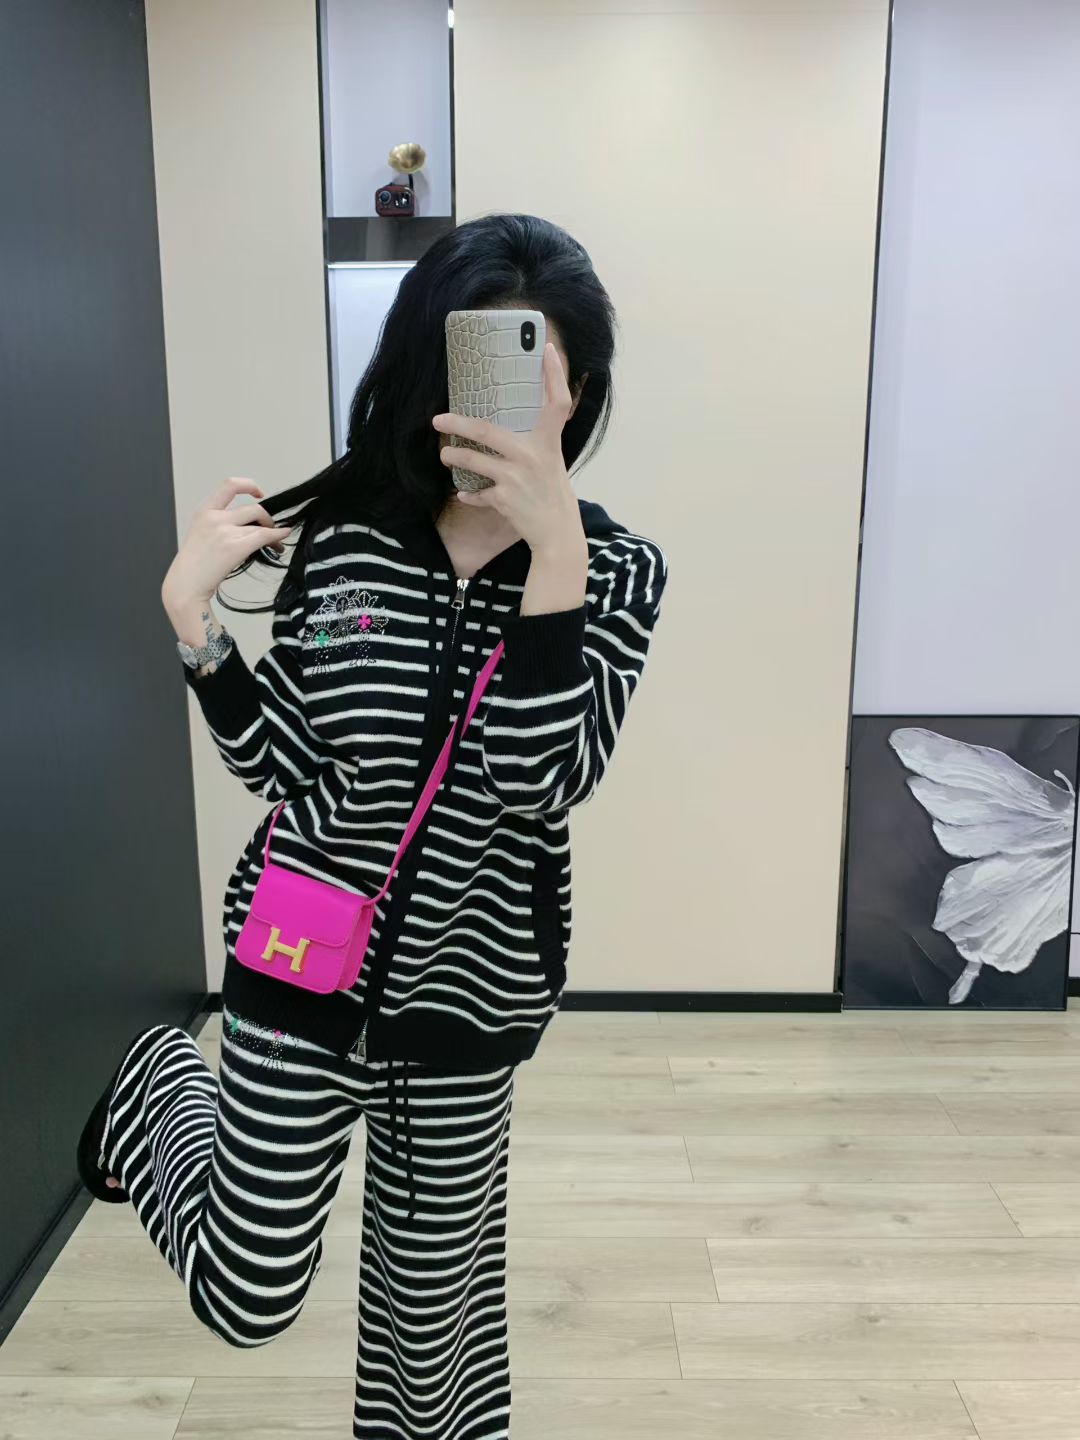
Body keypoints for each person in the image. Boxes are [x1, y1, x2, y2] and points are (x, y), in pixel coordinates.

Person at [76, 213, 667, 1440]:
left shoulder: (617, 571)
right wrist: (195, 626)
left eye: (532, 374)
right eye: (473, 367)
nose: (498, 406)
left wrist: (554, 554)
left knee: (429, 1331)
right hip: (298, 941)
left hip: (470, 980)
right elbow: (288, 765)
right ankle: (152, 1090)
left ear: (578, 391)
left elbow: (539, 781)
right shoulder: (348, 539)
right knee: (245, 1293)